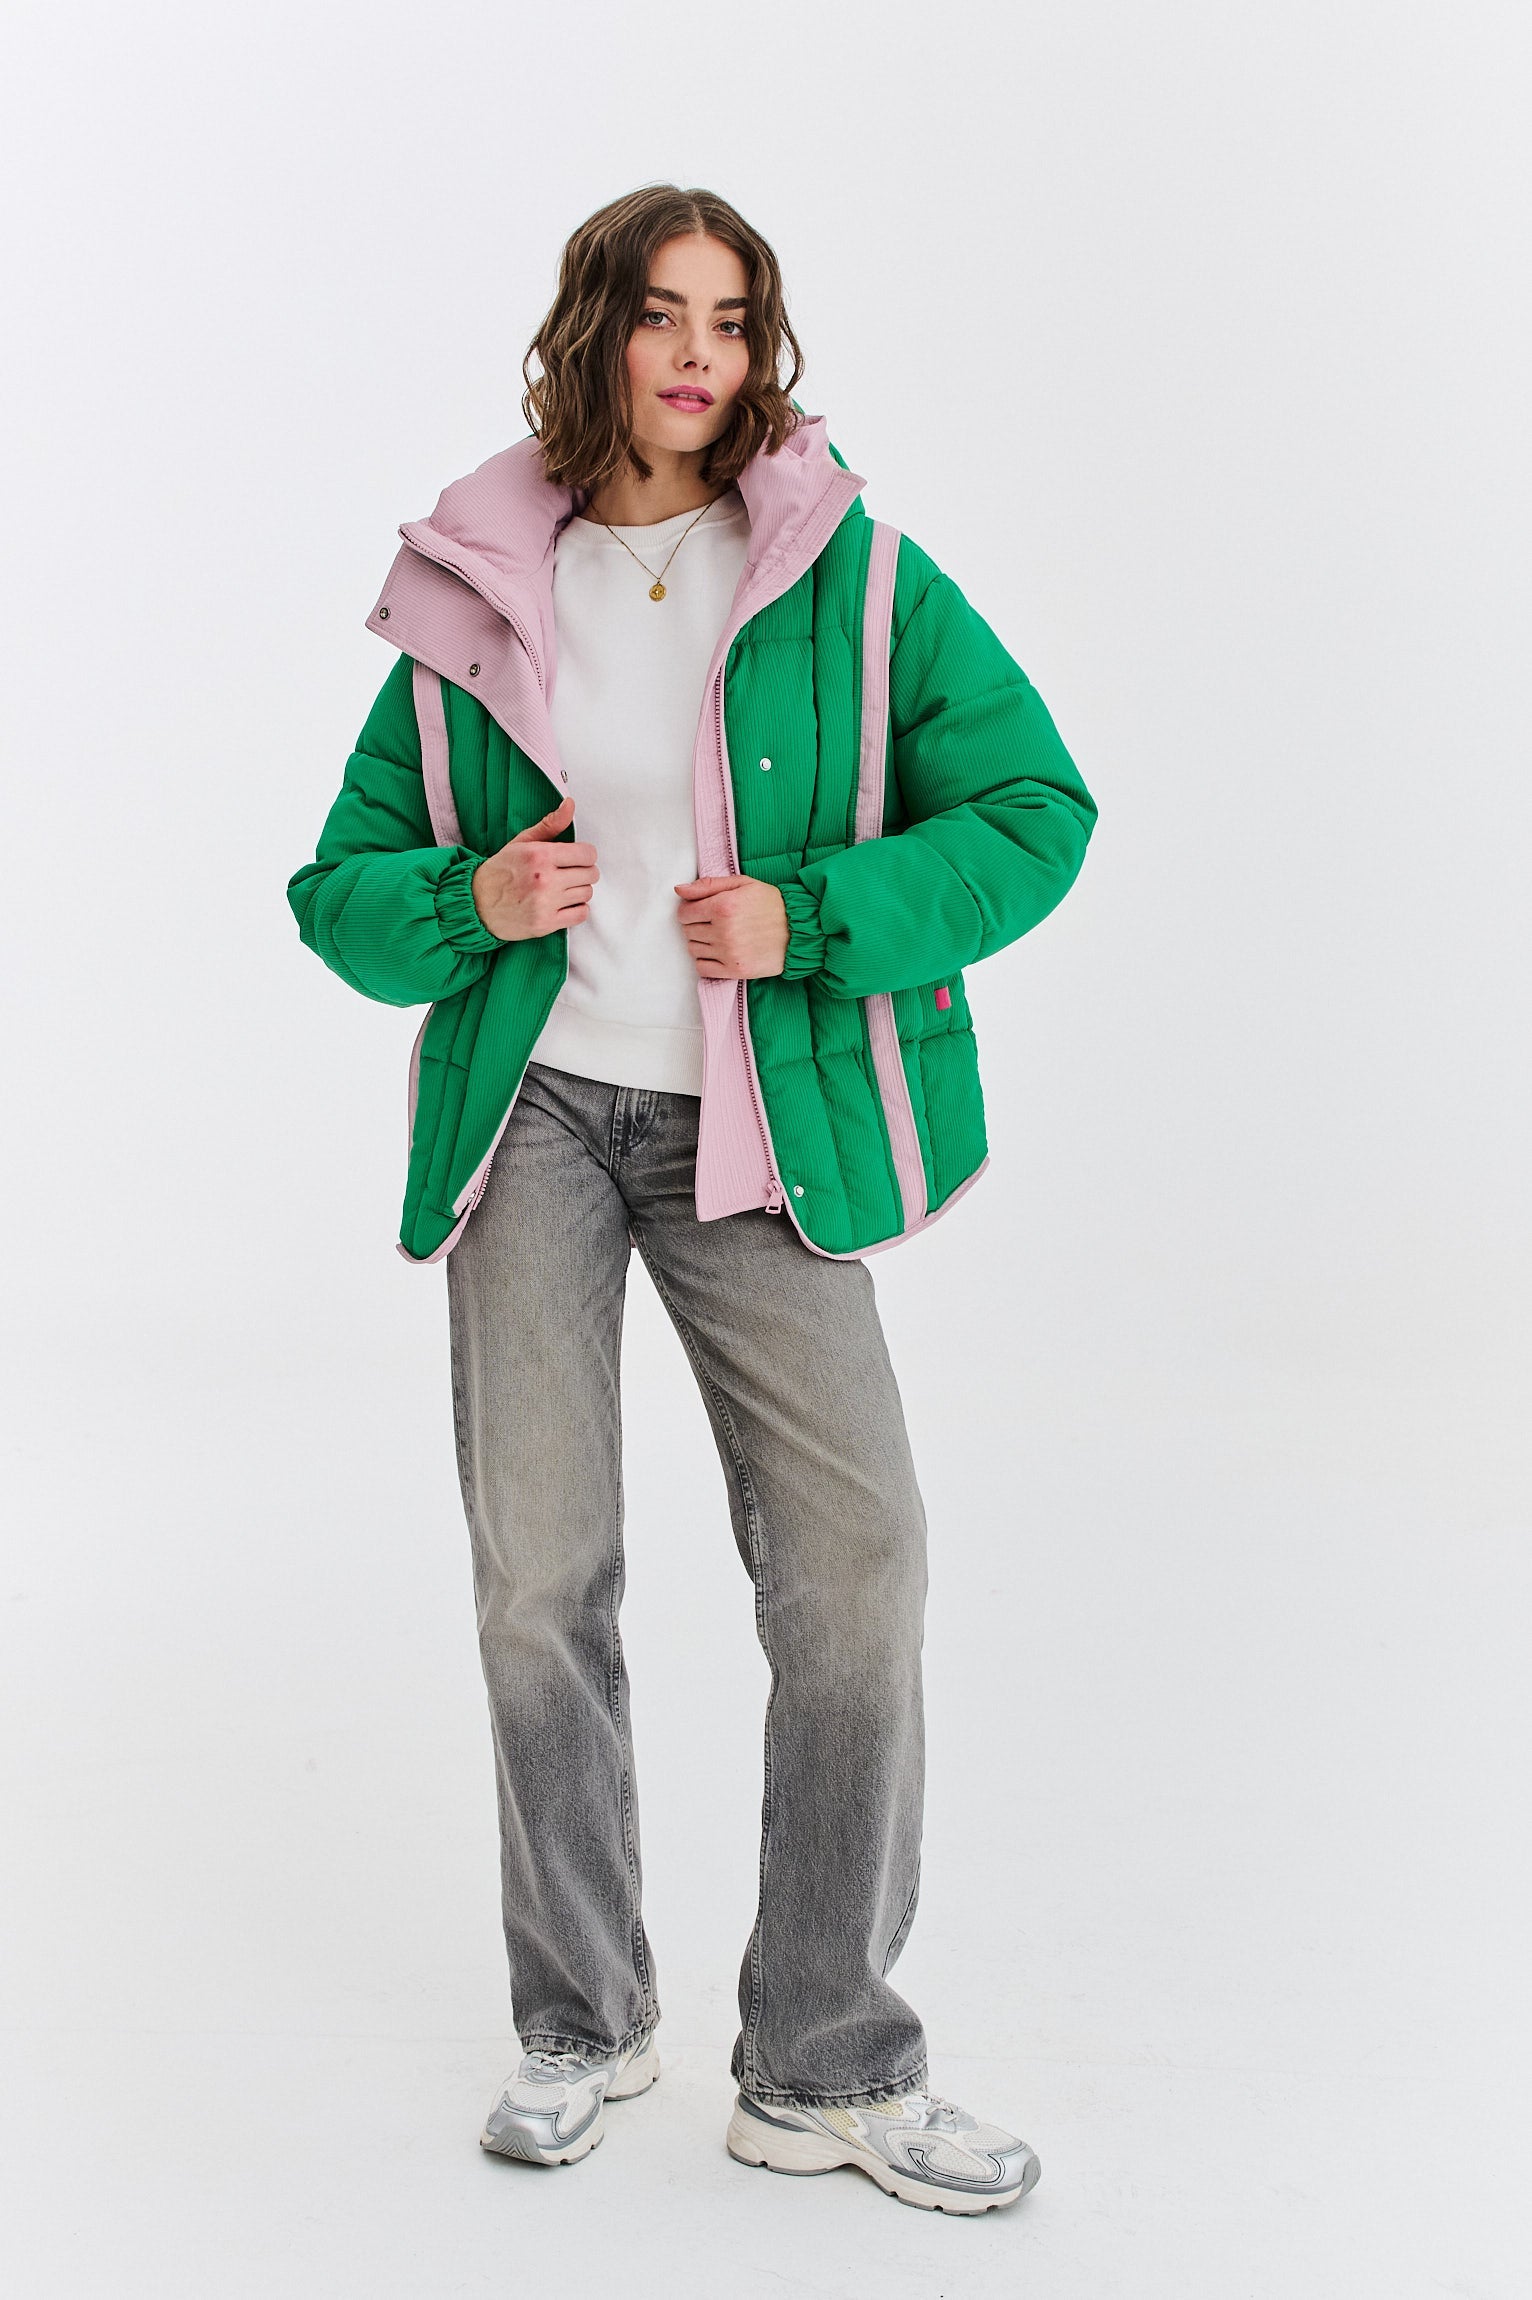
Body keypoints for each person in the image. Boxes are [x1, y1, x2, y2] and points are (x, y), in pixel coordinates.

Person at [286, 183, 1097, 2215]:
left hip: (755, 1124)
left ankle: (823, 2056)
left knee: (856, 1563)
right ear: (599, 332)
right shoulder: (485, 583)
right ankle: (584, 2016)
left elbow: (1035, 808)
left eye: (731, 321)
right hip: (538, 1116)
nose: (697, 355)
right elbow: (339, 888)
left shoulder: (850, 571)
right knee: (538, 1580)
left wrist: (813, 917)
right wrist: (472, 898)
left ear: (761, 351)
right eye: (662, 314)